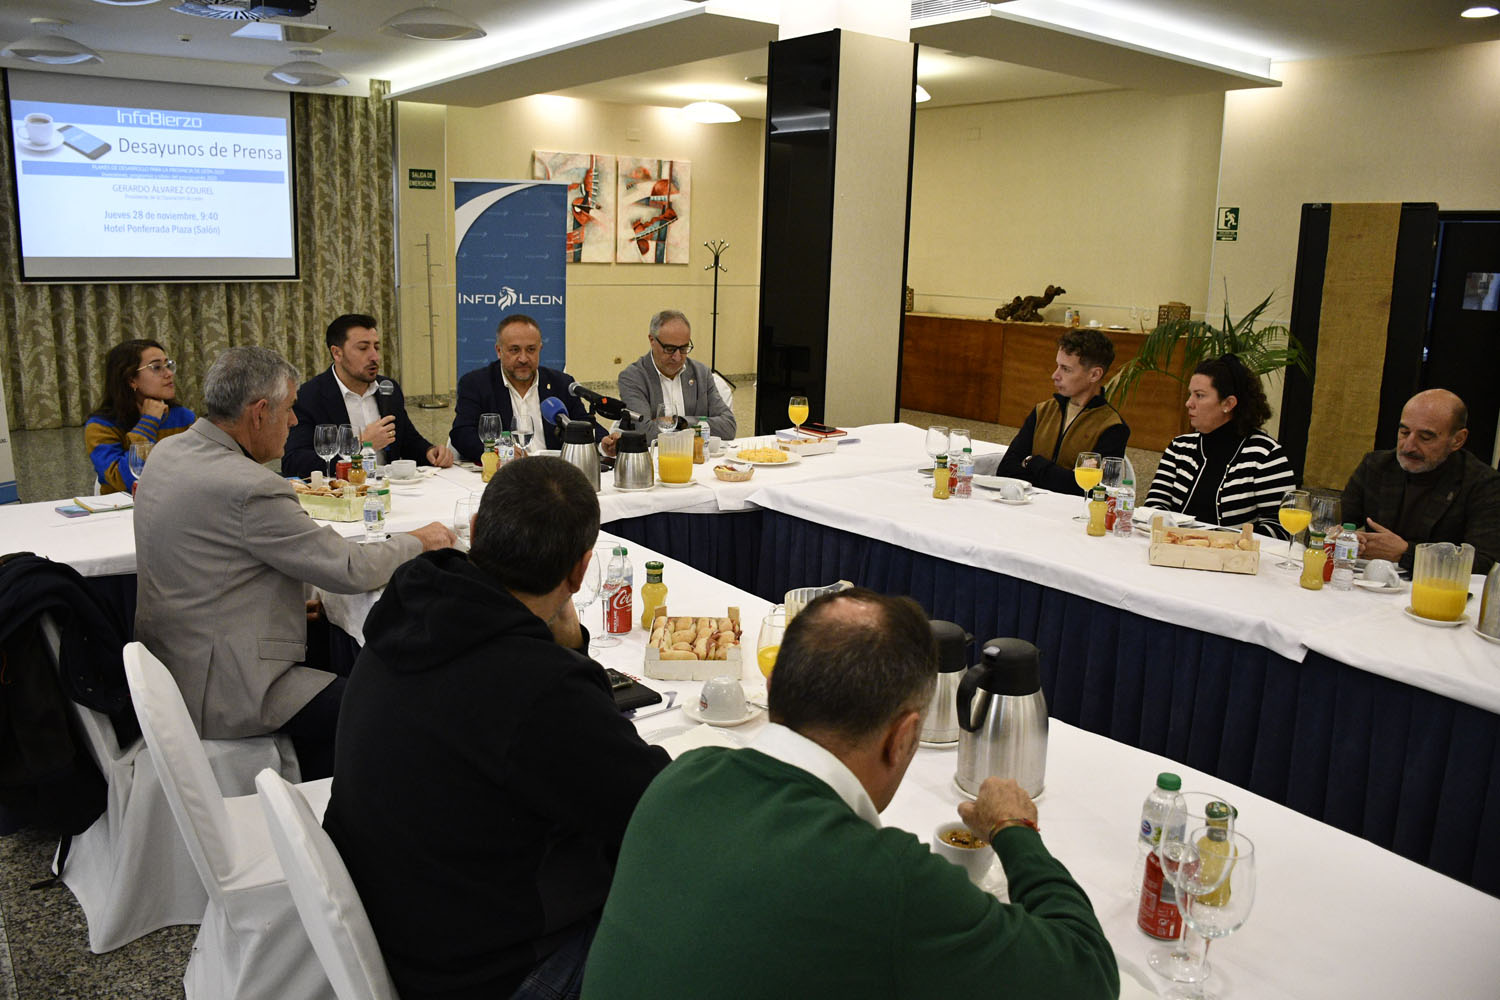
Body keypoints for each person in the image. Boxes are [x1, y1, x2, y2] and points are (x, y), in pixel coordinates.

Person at [582, 589, 1118, 1000]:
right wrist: (1013, 831)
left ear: (773, 689)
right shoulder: (888, 880)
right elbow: (1087, 976)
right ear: (905, 735)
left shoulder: (682, 777)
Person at [325, 457, 669, 1000]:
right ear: (580, 571)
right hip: (490, 972)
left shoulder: (411, 608)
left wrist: (563, 654)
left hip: (403, 923)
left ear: (478, 531)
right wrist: (573, 658)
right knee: (708, 916)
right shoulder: (536, 687)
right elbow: (656, 808)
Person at [134, 345, 454, 780]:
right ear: (259, 412)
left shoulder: (169, 454)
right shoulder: (250, 487)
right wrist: (420, 540)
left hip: (174, 663)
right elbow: (349, 569)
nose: (294, 421)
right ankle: (338, 813)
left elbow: (215, 561)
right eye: (288, 409)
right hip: (228, 686)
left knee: (335, 642)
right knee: (388, 710)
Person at [1342, 388, 1500, 574]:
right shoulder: (1376, 466)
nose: (1409, 446)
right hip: (1369, 581)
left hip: (1437, 593)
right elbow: (1333, 523)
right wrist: (1344, 537)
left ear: (1457, 440)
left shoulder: (1483, 483)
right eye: (1404, 432)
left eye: (1425, 437)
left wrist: (1406, 553)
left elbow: (1483, 562)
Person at [281, 314, 455, 479]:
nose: (375, 357)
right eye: (363, 348)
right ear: (337, 353)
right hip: (344, 493)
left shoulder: (387, 388)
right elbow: (293, 462)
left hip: (390, 488)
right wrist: (360, 445)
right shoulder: (310, 396)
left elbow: (407, 440)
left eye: (376, 347)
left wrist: (429, 451)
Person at [1146, 353, 1296, 536]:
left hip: (1235, 559)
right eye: (1190, 394)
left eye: (1199, 396)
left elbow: (1282, 528)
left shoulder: (1265, 455)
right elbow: (1154, 505)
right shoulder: (1179, 447)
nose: (1188, 403)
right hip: (1174, 550)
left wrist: (1223, 541)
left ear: (1228, 403)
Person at [449, 313, 614, 461]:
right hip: (504, 474)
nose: (523, 358)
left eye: (531, 350)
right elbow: (462, 433)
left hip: (555, 473)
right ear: (499, 351)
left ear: (540, 349)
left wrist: (602, 443)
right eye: (514, 350)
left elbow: (581, 422)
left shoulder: (561, 383)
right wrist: (499, 451)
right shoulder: (476, 383)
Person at [993, 328, 1129, 492]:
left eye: (1066, 369)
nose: (1054, 375)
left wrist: (1032, 462)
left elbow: (1095, 491)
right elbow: (1006, 470)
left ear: (1094, 375)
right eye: (1058, 366)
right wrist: (1063, 476)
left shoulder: (1113, 427)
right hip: (1025, 506)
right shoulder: (1043, 411)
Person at [84, 339, 195, 493]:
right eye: (157, 367)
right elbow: (124, 481)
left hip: (173, 504)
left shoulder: (184, 418)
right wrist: (148, 423)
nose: (169, 374)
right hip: (120, 511)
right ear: (131, 379)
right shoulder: (100, 427)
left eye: (168, 365)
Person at [617, 309, 736, 442]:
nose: (677, 357)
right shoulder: (633, 377)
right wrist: (700, 425)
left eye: (684, 348)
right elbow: (644, 433)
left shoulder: (701, 373)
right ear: (652, 340)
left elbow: (728, 427)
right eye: (670, 349)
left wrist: (681, 422)